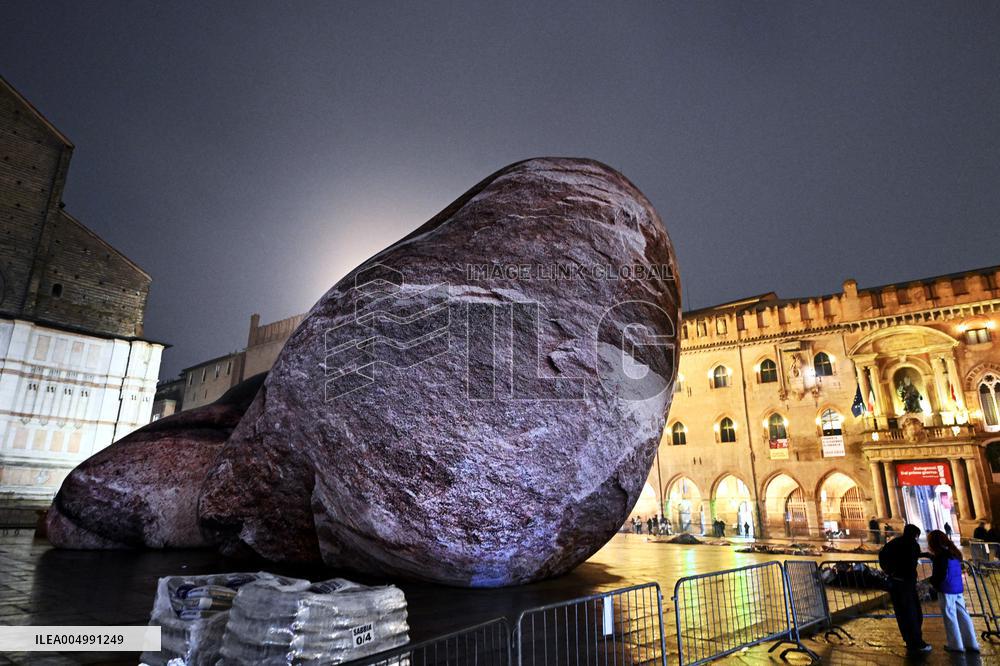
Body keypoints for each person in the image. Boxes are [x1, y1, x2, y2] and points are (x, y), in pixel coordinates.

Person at [879, 524, 931, 654]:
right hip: (907, 584)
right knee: (914, 614)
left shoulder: (894, 543)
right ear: (914, 535)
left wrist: (888, 571)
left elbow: (882, 555)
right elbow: (912, 558)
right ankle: (917, 642)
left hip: (895, 583)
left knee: (902, 614)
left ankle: (909, 640)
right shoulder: (913, 545)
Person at [927, 529, 981, 653]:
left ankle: (956, 645)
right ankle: (972, 643)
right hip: (957, 588)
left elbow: (939, 575)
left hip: (946, 589)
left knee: (950, 616)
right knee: (964, 615)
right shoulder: (953, 553)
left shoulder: (940, 556)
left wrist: (932, 583)